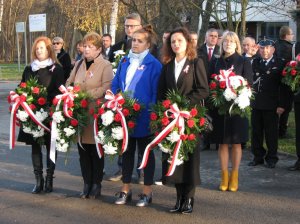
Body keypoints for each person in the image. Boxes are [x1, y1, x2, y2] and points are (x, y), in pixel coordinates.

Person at [158, 27, 209, 214]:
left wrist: (183, 104)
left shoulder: (196, 62)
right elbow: (161, 91)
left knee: (189, 159)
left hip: (189, 119)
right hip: (171, 119)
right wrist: (164, 110)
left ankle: (189, 199)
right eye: (172, 41)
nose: (176, 44)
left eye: (179, 40)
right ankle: (178, 199)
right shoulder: (167, 64)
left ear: (187, 42)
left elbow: (203, 89)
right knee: (174, 159)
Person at [111, 25, 162, 207]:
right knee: (126, 152)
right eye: (133, 40)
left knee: (146, 154)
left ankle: (147, 191)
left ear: (148, 44)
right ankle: (126, 189)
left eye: (140, 41)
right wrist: (116, 101)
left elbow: (156, 92)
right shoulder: (124, 60)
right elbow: (115, 83)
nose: (135, 43)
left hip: (145, 116)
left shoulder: (154, 64)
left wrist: (153, 115)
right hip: (125, 115)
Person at [66, 32, 113, 199]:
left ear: (99, 49)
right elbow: (69, 82)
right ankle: (86, 183)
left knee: (95, 151)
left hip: (95, 114)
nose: (86, 49)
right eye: (85, 46)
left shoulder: (105, 65)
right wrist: (71, 93)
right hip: (80, 114)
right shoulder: (79, 64)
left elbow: (106, 88)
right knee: (83, 151)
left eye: (90, 47)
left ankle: (96, 184)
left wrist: (85, 95)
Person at [17, 36, 65, 194]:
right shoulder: (29, 68)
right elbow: (22, 86)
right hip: (32, 114)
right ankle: (39, 180)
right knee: (35, 146)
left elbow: (59, 90)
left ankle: (49, 178)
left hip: (48, 113)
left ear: (49, 50)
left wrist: (45, 103)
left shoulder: (56, 69)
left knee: (51, 146)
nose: (39, 51)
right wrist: (19, 97)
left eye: (42, 48)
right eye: (37, 48)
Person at [209, 31, 253, 192]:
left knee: (236, 143)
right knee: (222, 143)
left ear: (236, 44)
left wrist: (238, 91)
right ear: (222, 44)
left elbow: (249, 84)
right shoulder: (215, 62)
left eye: (231, 41)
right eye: (226, 41)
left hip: (237, 109)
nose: (228, 44)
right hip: (220, 110)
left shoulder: (243, 61)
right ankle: (224, 176)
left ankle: (234, 176)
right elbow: (210, 82)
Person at [248, 39, 287, 169]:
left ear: (273, 50)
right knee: (256, 132)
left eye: (268, 48)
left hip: (272, 105)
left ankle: (271, 158)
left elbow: (284, 87)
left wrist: (282, 105)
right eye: (262, 48)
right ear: (259, 50)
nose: (265, 51)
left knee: (271, 133)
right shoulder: (254, 62)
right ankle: (257, 156)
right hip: (257, 103)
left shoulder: (280, 63)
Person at [274, 26, 295, 138]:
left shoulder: (274, 45)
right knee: (286, 107)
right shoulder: (291, 48)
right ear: (286, 35)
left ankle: (274, 129)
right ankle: (282, 132)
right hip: (286, 80)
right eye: (291, 34)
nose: (293, 36)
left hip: (274, 81)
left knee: (275, 106)